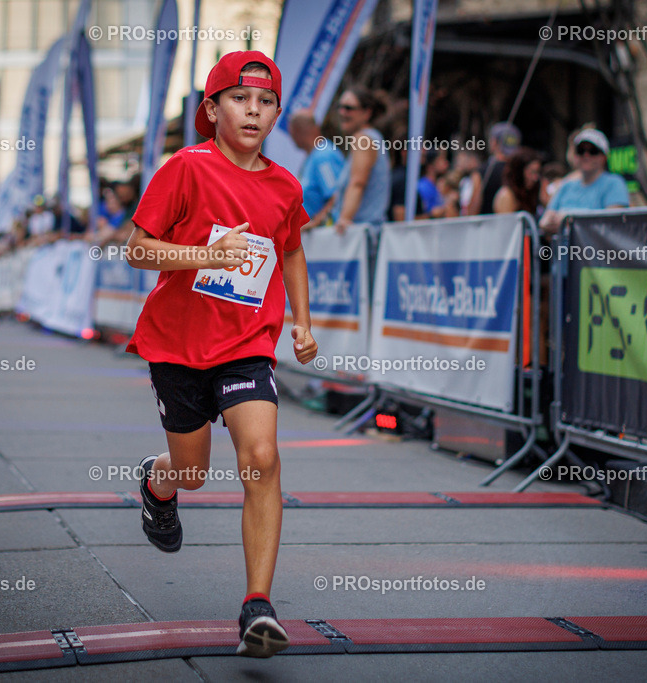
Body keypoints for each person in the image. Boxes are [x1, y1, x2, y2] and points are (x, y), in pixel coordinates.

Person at [122, 51, 317, 659]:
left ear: (277, 113)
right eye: (240, 99)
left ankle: (257, 606)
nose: (253, 111)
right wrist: (205, 256)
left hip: (245, 345)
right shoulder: (186, 168)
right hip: (178, 346)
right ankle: (159, 485)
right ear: (211, 110)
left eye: (265, 102)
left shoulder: (285, 184)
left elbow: (289, 252)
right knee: (194, 474)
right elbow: (137, 250)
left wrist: (302, 325)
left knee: (261, 457)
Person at [539, 129, 629, 234]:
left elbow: (612, 223)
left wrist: (568, 220)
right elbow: (544, 222)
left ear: (604, 156)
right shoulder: (566, 185)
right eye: (581, 151)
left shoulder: (614, 183)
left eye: (593, 151)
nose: (586, 156)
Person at [328, 87, 391, 232]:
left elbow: (358, 183)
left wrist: (344, 219)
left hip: (362, 235)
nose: (342, 112)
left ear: (366, 113)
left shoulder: (363, 138)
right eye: (340, 107)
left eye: (349, 108)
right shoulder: (372, 137)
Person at [288, 110, 345, 218]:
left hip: (325, 232)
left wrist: (313, 224)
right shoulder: (313, 156)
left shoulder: (323, 157)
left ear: (297, 131)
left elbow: (335, 197)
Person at [467, 122, 521, 215]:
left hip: (488, 227)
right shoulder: (521, 171)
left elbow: (473, 208)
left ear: (494, 142)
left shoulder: (481, 172)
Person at [493, 148, 542, 215]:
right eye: (531, 172)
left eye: (537, 172)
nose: (535, 178)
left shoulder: (530, 193)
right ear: (519, 172)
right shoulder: (507, 195)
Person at [417, 148, 450, 217]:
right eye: (441, 160)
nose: (446, 163)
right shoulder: (423, 186)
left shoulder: (437, 185)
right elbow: (426, 212)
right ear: (430, 166)